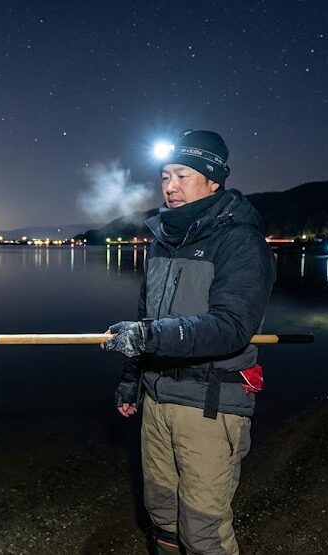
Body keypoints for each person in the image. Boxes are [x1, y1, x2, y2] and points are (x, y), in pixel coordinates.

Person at [103, 129, 275, 555]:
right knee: (161, 516)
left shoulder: (240, 241)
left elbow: (232, 325)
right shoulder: (163, 241)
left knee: (202, 531)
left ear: (214, 180)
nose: (171, 187)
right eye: (165, 176)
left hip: (209, 405)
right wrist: (131, 379)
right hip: (157, 399)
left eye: (183, 175)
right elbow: (147, 320)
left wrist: (150, 335)